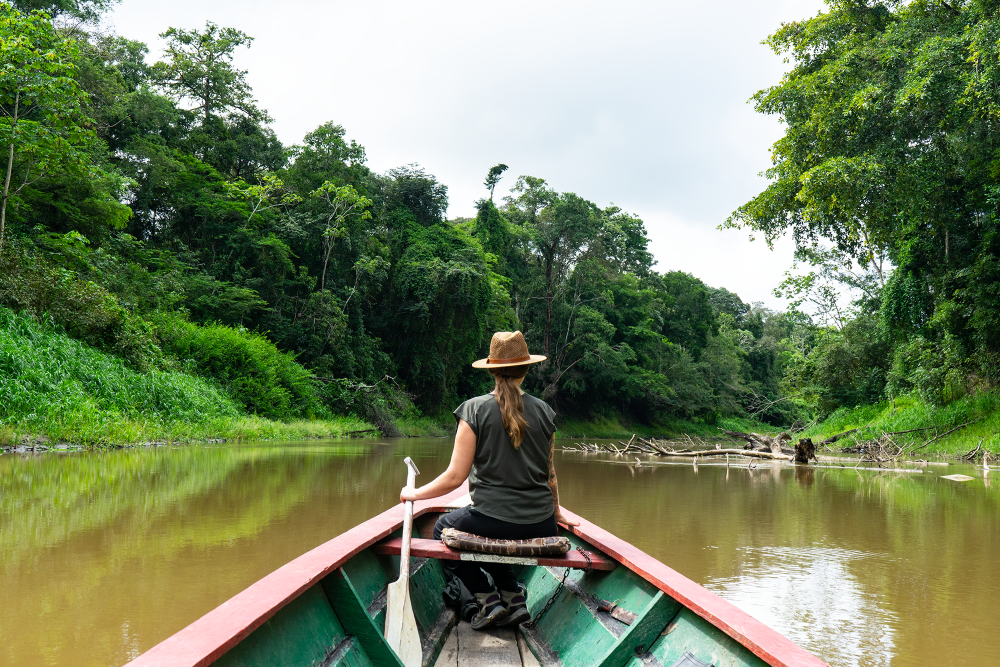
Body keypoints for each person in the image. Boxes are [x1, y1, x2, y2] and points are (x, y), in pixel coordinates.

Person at [399, 330, 579, 631]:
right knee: (496, 531)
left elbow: (454, 477)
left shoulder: (474, 409)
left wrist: (413, 493)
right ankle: (512, 595)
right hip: (542, 523)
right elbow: (550, 476)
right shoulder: (546, 413)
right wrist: (556, 513)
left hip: (493, 519)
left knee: (445, 528)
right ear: (525, 369)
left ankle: (486, 597)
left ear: (491, 370)